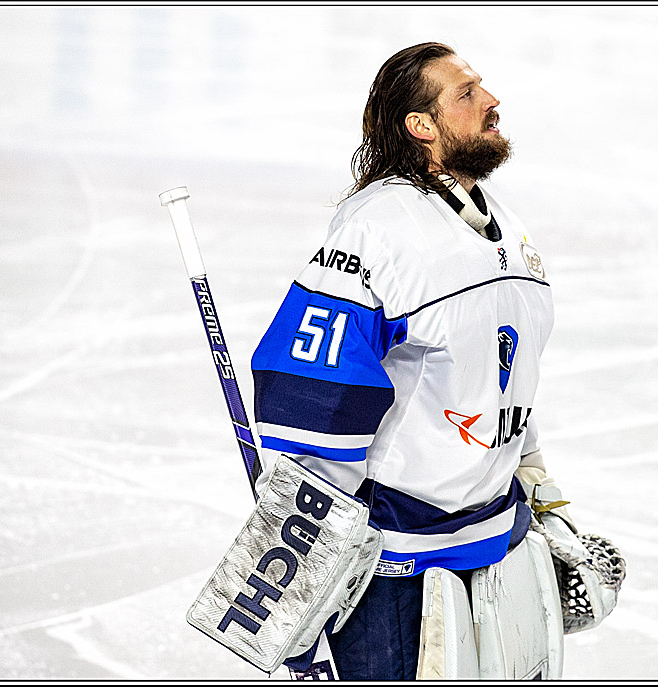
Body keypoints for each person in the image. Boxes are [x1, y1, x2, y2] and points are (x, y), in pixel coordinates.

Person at [249, 42, 578, 680]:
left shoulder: (506, 228)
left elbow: (502, 376)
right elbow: (317, 391)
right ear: (421, 125)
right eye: (467, 93)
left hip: (496, 537)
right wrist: (300, 550)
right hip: (391, 558)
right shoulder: (378, 228)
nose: (492, 101)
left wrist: (540, 489)